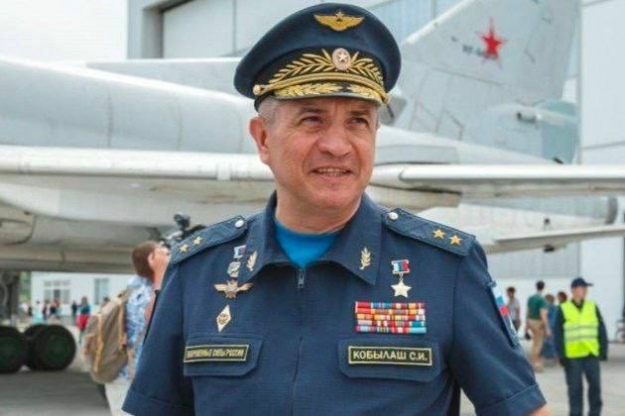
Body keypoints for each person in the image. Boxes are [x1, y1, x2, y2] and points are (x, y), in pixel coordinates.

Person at [123, 4, 548, 415]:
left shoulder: (445, 271)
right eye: (312, 119)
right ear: (263, 139)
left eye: (358, 121)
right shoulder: (197, 272)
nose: (338, 145)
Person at [105, 241, 169, 416]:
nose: (167, 257)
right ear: (152, 260)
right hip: (127, 381)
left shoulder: (139, 286)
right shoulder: (139, 292)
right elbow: (153, 315)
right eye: (162, 254)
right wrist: (160, 272)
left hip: (135, 380)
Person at [554, 277, 607, 416]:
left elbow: (601, 329)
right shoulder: (564, 308)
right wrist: (561, 355)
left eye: (585, 288)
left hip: (591, 354)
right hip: (572, 357)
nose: (585, 290)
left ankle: (595, 413)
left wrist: (603, 350)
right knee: (575, 390)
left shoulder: (592, 306)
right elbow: (558, 334)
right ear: (573, 290)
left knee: (595, 388)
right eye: (582, 287)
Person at [526, 280, 550, 372]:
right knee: (538, 344)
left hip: (531, 321)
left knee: (534, 342)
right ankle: (536, 364)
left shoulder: (531, 298)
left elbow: (528, 312)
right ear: (543, 287)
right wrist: (547, 328)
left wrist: (526, 326)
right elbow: (543, 314)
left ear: (536, 286)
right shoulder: (543, 300)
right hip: (538, 323)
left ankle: (533, 362)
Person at [540, 294, 557, 366]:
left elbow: (545, 318)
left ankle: (542, 360)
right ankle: (555, 360)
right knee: (553, 343)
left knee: (545, 343)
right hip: (554, 327)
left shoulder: (546, 308)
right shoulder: (556, 307)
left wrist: (546, 328)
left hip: (548, 326)